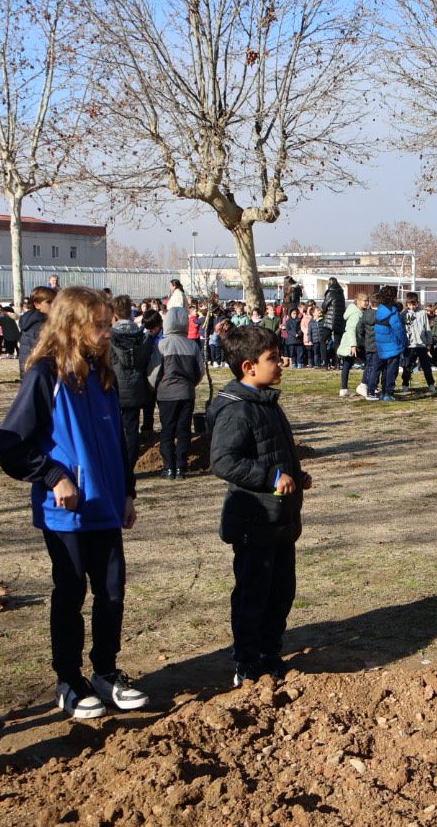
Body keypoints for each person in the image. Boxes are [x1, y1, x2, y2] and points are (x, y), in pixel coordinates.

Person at [0, 287, 148, 720]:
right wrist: (54, 476)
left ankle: (105, 671)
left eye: (108, 324)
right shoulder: (45, 376)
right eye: (99, 325)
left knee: (112, 592)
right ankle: (69, 680)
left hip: (106, 508)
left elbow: (118, 442)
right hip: (66, 514)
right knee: (71, 592)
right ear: (72, 325)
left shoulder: (103, 374)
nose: (107, 333)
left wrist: (127, 490)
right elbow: (10, 445)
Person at [208, 324, 313, 685]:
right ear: (249, 367)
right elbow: (224, 460)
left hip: (280, 520)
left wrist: (297, 476)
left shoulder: (266, 401)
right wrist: (270, 478)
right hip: (255, 521)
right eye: (273, 359)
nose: (281, 363)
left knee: (281, 592)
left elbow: (274, 451)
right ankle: (247, 662)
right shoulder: (237, 409)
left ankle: (271, 654)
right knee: (254, 594)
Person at [109, 295, 159, 470]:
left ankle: (114, 465)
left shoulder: (109, 338)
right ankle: (128, 466)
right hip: (136, 389)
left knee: (113, 430)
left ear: (114, 315)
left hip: (114, 391)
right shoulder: (142, 337)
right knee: (132, 431)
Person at [153, 305, 203, 479]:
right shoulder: (192, 345)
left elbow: (154, 372)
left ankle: (168, 467)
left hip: (166, 394)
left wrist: (157, 387)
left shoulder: (161, 345)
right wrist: (190, 384)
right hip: (187, 392)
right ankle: (181, 466)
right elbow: (200, 371)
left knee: (167, 430)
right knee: (184, 430)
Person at [369, 285, 406, 401]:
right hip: (392, 345)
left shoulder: (380, 309)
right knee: (391, 371)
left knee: (383, 369)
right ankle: (388, 393)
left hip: (381, 345)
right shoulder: (393, 312)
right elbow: (399, 329)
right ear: (394, 297)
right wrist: (405, 341)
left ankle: (381, 391)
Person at [399, 292, 437, 394]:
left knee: (426, 366)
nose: (412, 306)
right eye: (410, 304)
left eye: (414, 304)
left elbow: (427, 328)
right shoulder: (403, 314)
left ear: (417, 303)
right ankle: (405, 384)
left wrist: (429, 342)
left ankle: (431, 384)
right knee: (407, 366)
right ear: (407, 304)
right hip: (409, 345)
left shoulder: (422, 313)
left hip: (421, 345)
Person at [337, 292, 366, 397]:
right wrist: (353, 345)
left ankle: (344, 388)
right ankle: (363, 385)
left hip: (351, 343)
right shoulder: (356, 313)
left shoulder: (357, 311)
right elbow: (351, 329)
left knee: (347, 365)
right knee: (369, 362)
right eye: (365, 301)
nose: (367, 303)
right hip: (352, 344)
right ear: (358, 301)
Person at [320, 277, 345, 368]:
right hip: (339, 320)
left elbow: (324, 306)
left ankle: (324, 362)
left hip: (330, 320)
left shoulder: (330, 292)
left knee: (322, 340)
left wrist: (324, 310)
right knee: (337, 342)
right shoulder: (341, 293)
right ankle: (338, 363)